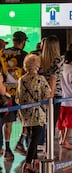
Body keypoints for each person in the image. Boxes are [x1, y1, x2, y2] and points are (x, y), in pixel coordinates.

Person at [15, 54, 51, 173]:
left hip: (25, 112)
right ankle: (28, 163)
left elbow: (18, 98)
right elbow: (47, 95)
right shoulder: (40, 79)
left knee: (31, 137)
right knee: (35, 138)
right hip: (37, 113)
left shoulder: (21, 80)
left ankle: (32, 163)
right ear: (37, 65)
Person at [0, 31, 29, 161]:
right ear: (22, 42)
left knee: (7, 121)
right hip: (19, 92)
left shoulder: (2, 53)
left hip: (4, 93)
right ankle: (20, 142)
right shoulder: (24, 55)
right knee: (26, 118)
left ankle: (7, 149)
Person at [58, 50, 72, 150]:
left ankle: (61, 138)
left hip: (61, 99)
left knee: (61, 120)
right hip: (71, 98)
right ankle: (65, 140)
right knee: (69, 121)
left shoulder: (60, 67)